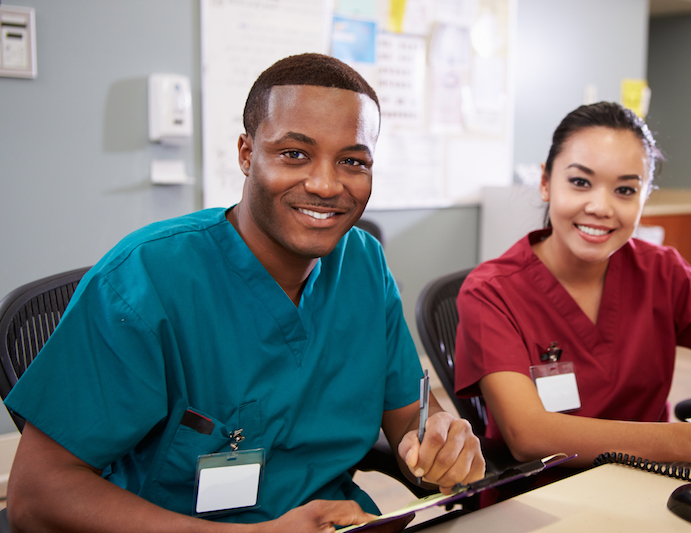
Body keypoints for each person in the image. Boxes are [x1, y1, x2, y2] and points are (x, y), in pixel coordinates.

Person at [4, 53, 485, 533]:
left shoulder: (363, 264)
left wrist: (441, 441)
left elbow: (409, 415)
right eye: (294, 154)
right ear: (246, 154)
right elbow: (35, 495)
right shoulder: (145, 279)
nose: (325, 184)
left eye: (352, 161)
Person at [454, 102, 691, 480]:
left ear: (645, 197)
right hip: (540, 497)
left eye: (625, 190)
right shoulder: (491, 292)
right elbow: (527, 434)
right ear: (545, 182)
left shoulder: (664, 273)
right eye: (580, 182)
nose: (601, 207)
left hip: (648, 485)